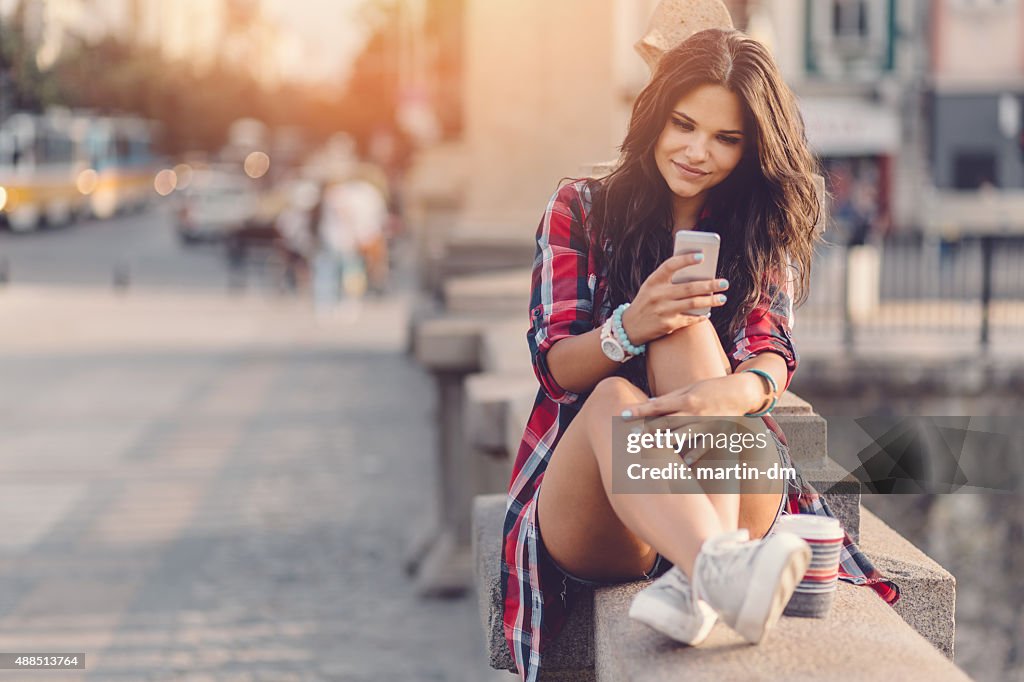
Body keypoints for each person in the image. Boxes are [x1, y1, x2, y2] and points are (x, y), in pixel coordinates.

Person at [502, 29, 899, 681]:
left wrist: (736, 392)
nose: (696, 151)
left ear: (751, 149)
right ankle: (716, 568)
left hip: (726, 477)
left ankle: (707, 572)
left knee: (688, 325)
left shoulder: (755, 223)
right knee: (612, 398)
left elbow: (771, 351)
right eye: (684, 125)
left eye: (725, 138)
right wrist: (629, 327)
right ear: (656, 116)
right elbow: (554, 366)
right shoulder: (582, 207)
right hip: (607, 502)